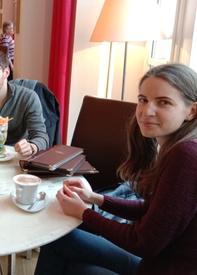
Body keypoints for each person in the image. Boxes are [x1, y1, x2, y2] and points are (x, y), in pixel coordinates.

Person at [35, 63, 197, 275]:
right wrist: (95, 198)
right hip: (152, 263)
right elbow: (151, 211)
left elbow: (144, 243)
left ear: (191, 111)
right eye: (143, 100)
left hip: (157, 267)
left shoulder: (186, 157)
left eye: (164, 102)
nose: (147, 111)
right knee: (57, 243)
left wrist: (84, 213)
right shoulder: (176, 148)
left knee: (71, 267)